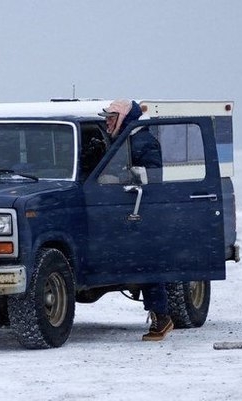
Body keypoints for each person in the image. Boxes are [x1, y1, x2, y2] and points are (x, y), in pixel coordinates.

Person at [99, 99, 173, 341]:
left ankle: (161, 318)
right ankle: (159, 316)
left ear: (124, 117)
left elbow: (153, 176)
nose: (108, 121)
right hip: (124, 212)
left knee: (146, 263)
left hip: (143, 213)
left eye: (111, 117)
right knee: (141, 263)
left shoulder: (144, 141)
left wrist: (122, 176)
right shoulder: (121, 138)